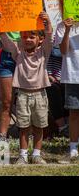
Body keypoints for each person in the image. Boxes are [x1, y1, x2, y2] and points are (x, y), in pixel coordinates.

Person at [0, 11, 52, 164]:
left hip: (40, 94)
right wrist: (0, 24)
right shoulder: (17, 52)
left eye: (32, 36)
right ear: (21, 37)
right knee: (24, 126)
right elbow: (6, 40)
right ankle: (23, 155)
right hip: (22, 95)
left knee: (39, 125)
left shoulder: (43, 52)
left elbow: (50, 37)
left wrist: (47, 23)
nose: (27, 39)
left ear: (40, 39)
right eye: (25, 36)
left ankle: (37, 154)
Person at [0, 0, 29, 141]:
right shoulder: (2, 11)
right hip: (7, 57)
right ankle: (2, 137)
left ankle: (26, 138)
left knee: (25, 100)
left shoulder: (31, 10)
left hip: (26, 58)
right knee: (6, 101)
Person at [55, 17, 79, 161]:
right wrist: (68, 30)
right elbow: (63, 51)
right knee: (74, 113)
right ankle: (73, 148)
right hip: (72, 75)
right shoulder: (61, 25)